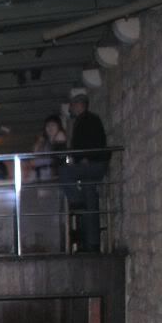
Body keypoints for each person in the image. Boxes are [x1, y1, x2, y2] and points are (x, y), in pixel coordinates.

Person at [59, 93, 110, 252]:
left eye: (72, 105)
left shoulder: (88, 120)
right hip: (94, 164)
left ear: (79, 105)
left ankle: (77, 201)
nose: (71, 109)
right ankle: (92, 244)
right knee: (91, 203)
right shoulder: (88, 120)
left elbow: (92, 142)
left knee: (65, 173)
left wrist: (85, 157)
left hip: (92, 164)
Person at [31, 114, 67, 182]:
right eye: (48, 125)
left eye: (53, 125)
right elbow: (33, 157)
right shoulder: (44, 142)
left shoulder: (60, 138)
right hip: (41, 177)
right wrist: (39, 142)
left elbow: (58, 159)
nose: (50, 128)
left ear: (58, 127)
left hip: (56, 177)